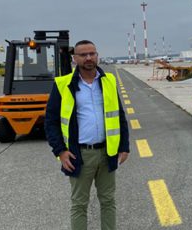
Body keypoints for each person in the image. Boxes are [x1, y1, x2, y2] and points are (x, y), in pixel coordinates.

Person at [44, 39, 130, 230]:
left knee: (108, 201)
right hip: (79, 154)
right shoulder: (63, 84)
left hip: (107, 152)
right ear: (75, 59)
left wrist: (124, 146)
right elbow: (50, 121)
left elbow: (119, 115)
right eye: (83, 55)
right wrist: (60, 151)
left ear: (97, 55)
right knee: (79, 204)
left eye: (92, 53)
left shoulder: (108, 81)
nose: (89, 58)